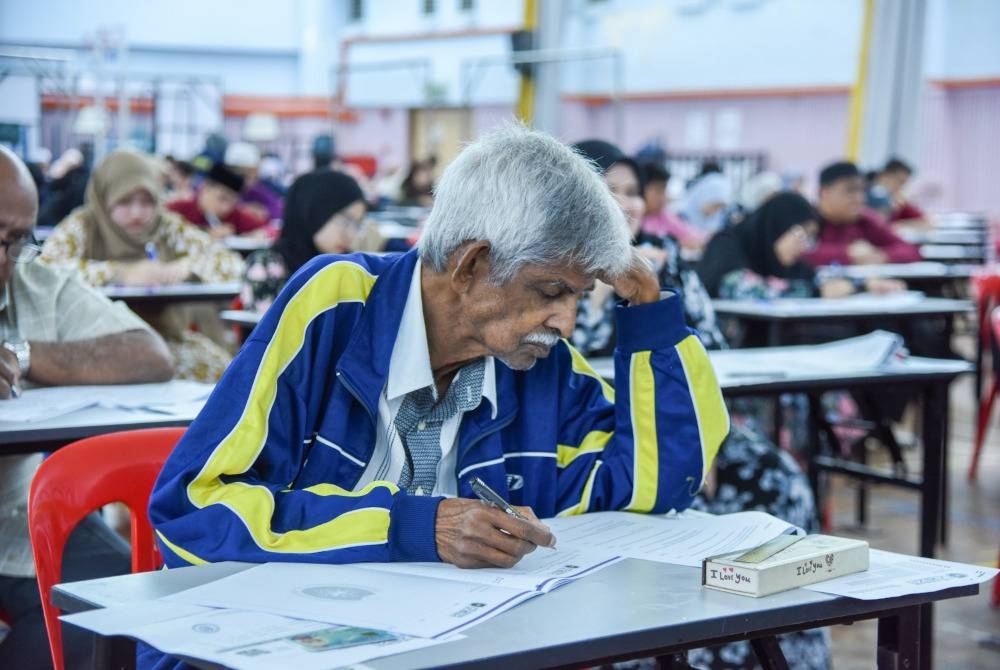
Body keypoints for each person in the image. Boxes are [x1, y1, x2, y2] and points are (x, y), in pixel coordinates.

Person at [148, 127, 728, 641]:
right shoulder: (336, 305)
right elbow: (193, 508)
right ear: (472, 266)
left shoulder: (533, 358)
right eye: (552, 292)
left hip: (447, 642)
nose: (567, 322)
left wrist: (649, 309)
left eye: (579, 295)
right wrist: (416, 526)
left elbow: (662, 482)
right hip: (268, 638)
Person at [569, 141, 829, 670]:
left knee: (779, 478)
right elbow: (572, 362)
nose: (625, 205)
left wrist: (699, 443)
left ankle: (779, 648)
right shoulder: (559, 274)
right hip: (600, 436)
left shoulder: (670, 261)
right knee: (668, 511)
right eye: (609, 192)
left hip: (677, 426)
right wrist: (601, 295)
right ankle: (696, 651)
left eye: (633, 192)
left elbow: (707, 357)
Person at [0, 145, 174, 670]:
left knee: (127, 612)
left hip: (17, 513)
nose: (2, 259)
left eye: (14, 241)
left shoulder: (34, 287)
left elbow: (149, 353)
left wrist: (23, 354)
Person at [40, 149, 244, 382]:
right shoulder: (84, 226)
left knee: (231, 379)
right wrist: (120, 273)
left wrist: (189, 265)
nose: (137, 213)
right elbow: (44, 272)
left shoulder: (166, 227)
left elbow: (231, 264)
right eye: (124, 202)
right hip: (91, 347)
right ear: (105, 196)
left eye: (147, 202)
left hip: (164, 340)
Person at [698, 192, 904, 302]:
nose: (804, 245)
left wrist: (866, 284)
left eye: (810, 238)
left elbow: (819, 277)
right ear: (777, 226)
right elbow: (741, 287)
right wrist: (816, 292)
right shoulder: (726, 243)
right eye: (800, 234)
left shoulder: (787, 262)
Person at [804, 161, 922, 267]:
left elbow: (910, 250)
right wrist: (848, 253)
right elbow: (798, 252)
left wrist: (881, 256)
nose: (859, 198)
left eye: (861, 190)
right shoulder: (805, 218)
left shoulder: (864, 220)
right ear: (824, 192)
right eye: (850, 190)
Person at [275, 168, 380, 276]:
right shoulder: (268, 268)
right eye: (346, 221)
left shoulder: (344, 265)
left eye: (357, 224)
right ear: (313, 212)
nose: (351, 235)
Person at [166, 162, 269, 239]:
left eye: (232, 202)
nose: (226, 207)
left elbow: (271, 230)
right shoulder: (179, 209)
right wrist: (206, 233)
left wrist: (259, 235)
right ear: (205, 188)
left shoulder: (235, 215)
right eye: (222, 198)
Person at [639, 162, 707, 251]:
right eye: (658, 191)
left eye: (664, 191)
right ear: (640, 189)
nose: (663, 198)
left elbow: (695, 236)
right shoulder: (634, 221)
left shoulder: (664, 217)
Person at [224, 142, 284, 222]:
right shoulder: (219, 190)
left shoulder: (257, 190)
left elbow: (278, 209)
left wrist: (265, 212)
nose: (249, 180)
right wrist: (242, 210)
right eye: (243, 174)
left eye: (253, 175)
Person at [871, 157, 928, 227]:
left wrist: (897, 225)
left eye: (903, 183)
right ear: (884, 176)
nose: (900, 186)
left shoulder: (897, 202)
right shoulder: (865, 196)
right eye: (899, 181)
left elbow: (926, 222)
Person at [677, 171, 731, 236]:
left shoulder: (721, 221)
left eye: (719, 208)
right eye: (715, 206)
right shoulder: (679, 219)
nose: (716, 211)